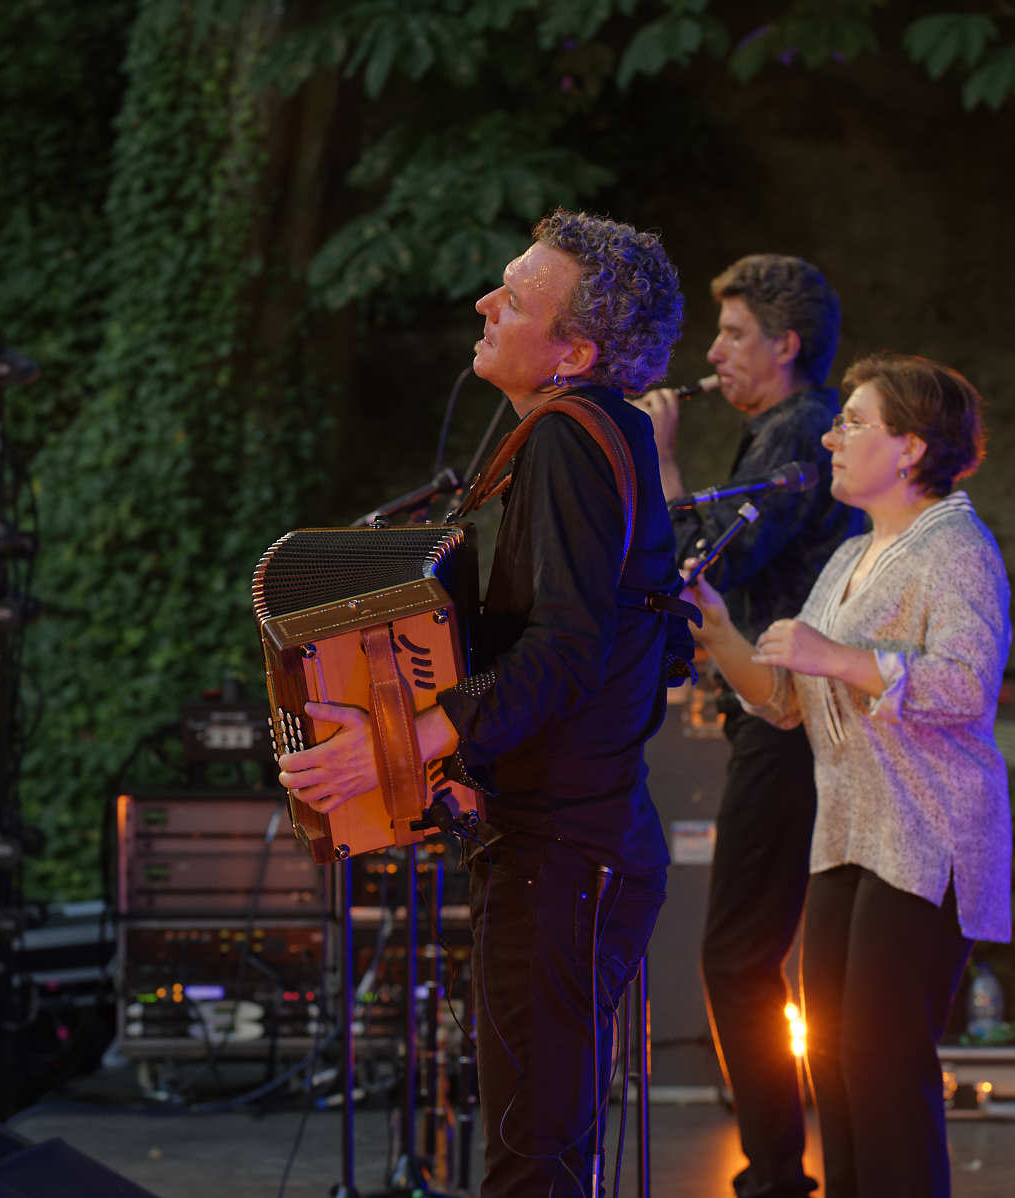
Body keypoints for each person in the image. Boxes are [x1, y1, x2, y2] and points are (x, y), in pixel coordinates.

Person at [277, 208, 690, 1196]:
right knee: (546, 1146)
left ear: (573, 353)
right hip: (585, 843)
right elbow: (654, 643)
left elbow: (568, 652)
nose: (484, 303)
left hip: (561, 856)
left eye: (515, 296)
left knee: (532, 1160)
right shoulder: (612, 433)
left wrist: (400, 744)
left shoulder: (568, 442)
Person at [681, 351, 1013, 1198]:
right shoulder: (851, 555)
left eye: (854, 422)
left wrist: (838, 656)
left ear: (910, 448)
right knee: (830, 1054)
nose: (831, 438)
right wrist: (718, 629)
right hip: (848, 833)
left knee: (883, 1060)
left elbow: (967, 686)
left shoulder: (957, 547)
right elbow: (786, 703)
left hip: (929, 834)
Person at [632, 254, 861, 1198]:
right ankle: (796, 1166)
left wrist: (664, 463)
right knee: (780, 955)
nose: (714, 352)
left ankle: (775, 1174)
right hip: (792, 713)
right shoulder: (785, 430)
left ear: (785, 345)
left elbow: (709, 564)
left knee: (737, 954)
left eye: (732, 334)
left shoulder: (797, 432)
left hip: (789, 718)